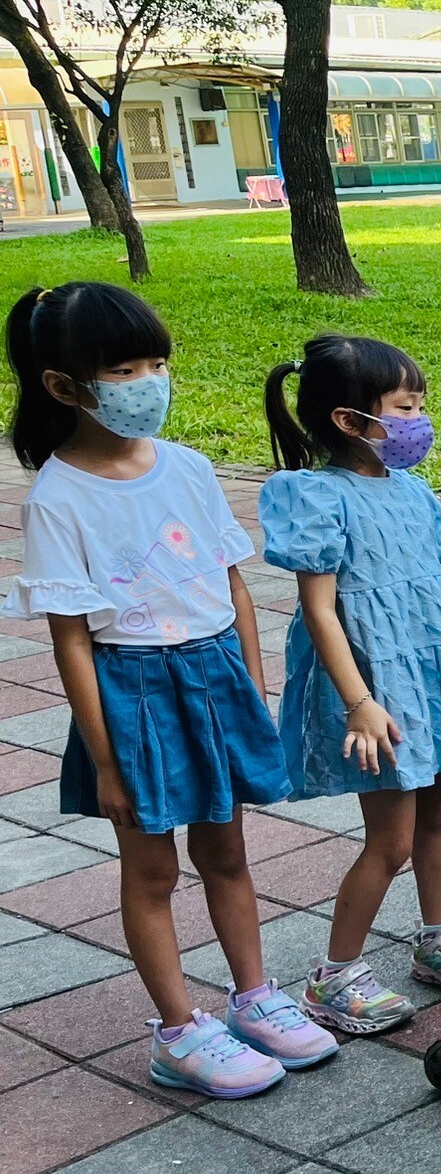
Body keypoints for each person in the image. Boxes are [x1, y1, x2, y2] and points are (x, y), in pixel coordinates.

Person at [3, 283, 330, 1095]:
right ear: (63, 386)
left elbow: (235, 587)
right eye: (125, 368)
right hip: (133, 692)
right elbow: (71, 638)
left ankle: (252, 997)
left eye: (156, 362)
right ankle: (179, 1031)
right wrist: (108, 761)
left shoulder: (186, 467)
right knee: (150, 871)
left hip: (214, 674)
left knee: (227, 851)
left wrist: (251, 689)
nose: (149, 380)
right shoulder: (58, 497)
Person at [261, 333, 441, 1032]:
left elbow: (426, 583)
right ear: (349, 422)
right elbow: (320, 610)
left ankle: (436, 937)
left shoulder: (414, 492)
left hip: (432, 673)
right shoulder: (317, 497)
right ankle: (334, 975)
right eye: (404, 407)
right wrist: (359, 702)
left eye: (420, 404)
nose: (418, 421)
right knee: (389, 839)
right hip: (377, 685)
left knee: (437, 815)